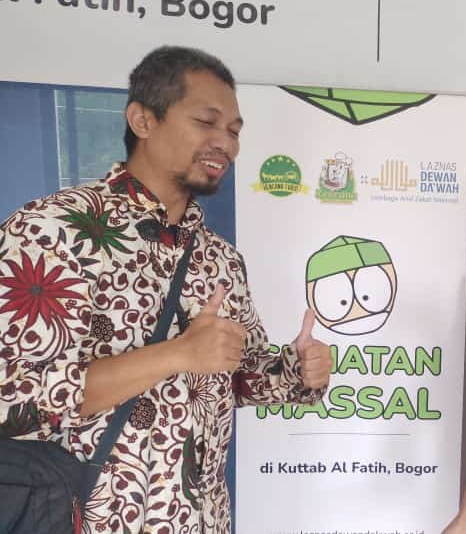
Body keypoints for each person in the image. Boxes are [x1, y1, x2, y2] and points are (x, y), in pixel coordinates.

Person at [0, 46, 333, 533]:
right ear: (143, 120)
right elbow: (11, 400)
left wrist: (296, 370)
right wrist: (177, 353)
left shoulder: (218, 258)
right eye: (206, 121)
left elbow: (238, 379)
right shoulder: (53, 231)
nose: (225, 143)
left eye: (235, 131)